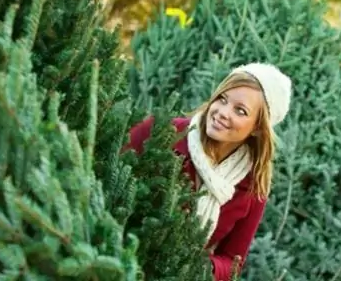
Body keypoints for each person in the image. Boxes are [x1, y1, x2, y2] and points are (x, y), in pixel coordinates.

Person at [124, 63, 292, 281]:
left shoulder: (253, 186)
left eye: (240, 111)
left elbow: (233, 262)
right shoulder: (162, 132)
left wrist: (196, 266)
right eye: (222, 99)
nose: (222, 112)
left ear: (258, 128)